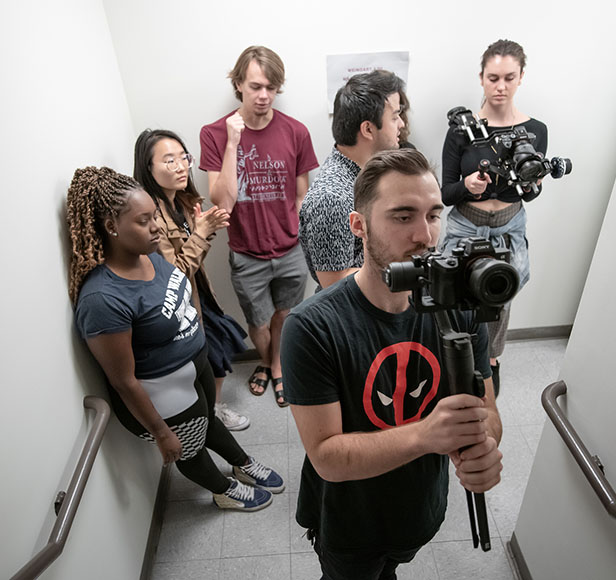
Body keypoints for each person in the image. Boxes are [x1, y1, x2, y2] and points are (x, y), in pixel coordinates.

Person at [282, 149, 503, 579]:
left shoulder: (461, 308)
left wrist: (484, 445)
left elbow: (486, 414)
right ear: (359, 226)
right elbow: (327, 456)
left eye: (434, 215)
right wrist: (427, 434)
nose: (425, 235)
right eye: (403, 217)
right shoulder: (312, 326)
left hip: (421, 511)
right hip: (350, 525)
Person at [67, 166, 284, 511]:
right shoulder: (102, 299)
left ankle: (242, 462)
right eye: (143, 221)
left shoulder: (149, 254)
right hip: (162, 394)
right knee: (189, 445)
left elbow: (179, 289)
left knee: (206, 420)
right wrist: (161, 433)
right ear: (111, 227)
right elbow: (122, 380)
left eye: (154, 216)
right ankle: (223, 489)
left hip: (193, 369)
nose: (155, 227)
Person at [200, 45, 318, 407]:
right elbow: (222, 202)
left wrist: (299, 239)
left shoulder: (296, 132)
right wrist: (234, 144)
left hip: (291, 249)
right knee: (259, 321)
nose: (264, 96)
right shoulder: (215, 134)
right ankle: (266, 363)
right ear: (238, 84)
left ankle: (276, 366)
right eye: (255, 87)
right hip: (246, 252)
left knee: (285, 315)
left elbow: (302, 195)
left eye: (271, 87)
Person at [440, 39, 547, 395]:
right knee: (451, 292)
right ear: (481, 78)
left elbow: (530, 190)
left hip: (509, 224)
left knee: (501, 292)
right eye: (493, 77)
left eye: (509, 77)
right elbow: (444, 193)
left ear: (520, 78)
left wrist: (532, 185)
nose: (500, 86)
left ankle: (492, 359)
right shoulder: (462, 130)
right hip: (465, 221)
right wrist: (468, 186)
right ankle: (454, 354)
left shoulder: (535, 131)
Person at [133, 129, 249, 432]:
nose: (181, 166)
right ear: (148, 169)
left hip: (200, 294)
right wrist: (202, 233)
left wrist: (204, 230)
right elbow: (176, 276)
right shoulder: (152, 217)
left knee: (220, 350)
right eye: (168, 161)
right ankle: (210, 417)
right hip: (181, 304)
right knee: (213, 356)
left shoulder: (181, 201)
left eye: (183, 157)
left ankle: (213, 410)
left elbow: (190, 257)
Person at [298, 70, 406, 289]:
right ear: (368, 129)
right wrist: (402, 268)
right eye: (394, 117)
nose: (401, 124)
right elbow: (334, 283)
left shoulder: (366, 174)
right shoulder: (330, 198)